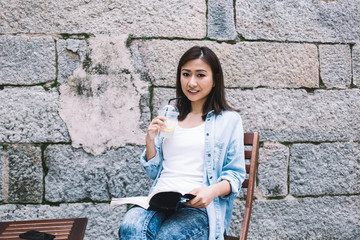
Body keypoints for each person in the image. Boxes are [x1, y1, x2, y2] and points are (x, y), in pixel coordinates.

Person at [119, 46, 246, 240]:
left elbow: (236, 175)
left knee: (166, 237)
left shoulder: (229, 120)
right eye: (186, 74)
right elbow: (154, 172)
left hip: (198, 207)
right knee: (131, 227)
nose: (191, 82)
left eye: (200, 75)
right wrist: (150, 141)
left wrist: (211, 192)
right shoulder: (169, 116)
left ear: (215, 80)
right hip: (159, 199)